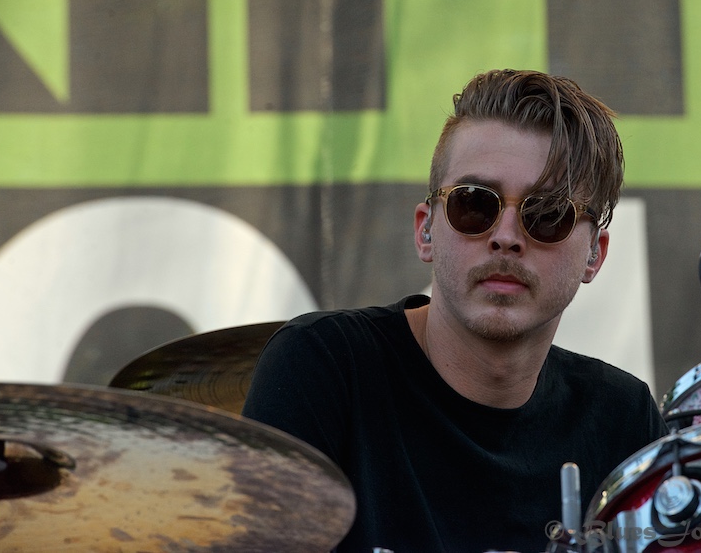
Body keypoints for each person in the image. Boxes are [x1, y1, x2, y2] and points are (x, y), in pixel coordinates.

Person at [242, 69, 667, 552]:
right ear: (426, 230)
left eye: (547, 215)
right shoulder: (324, 367)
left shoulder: (623, 418)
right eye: (474, 204)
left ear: (595, 254)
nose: (506, 236)